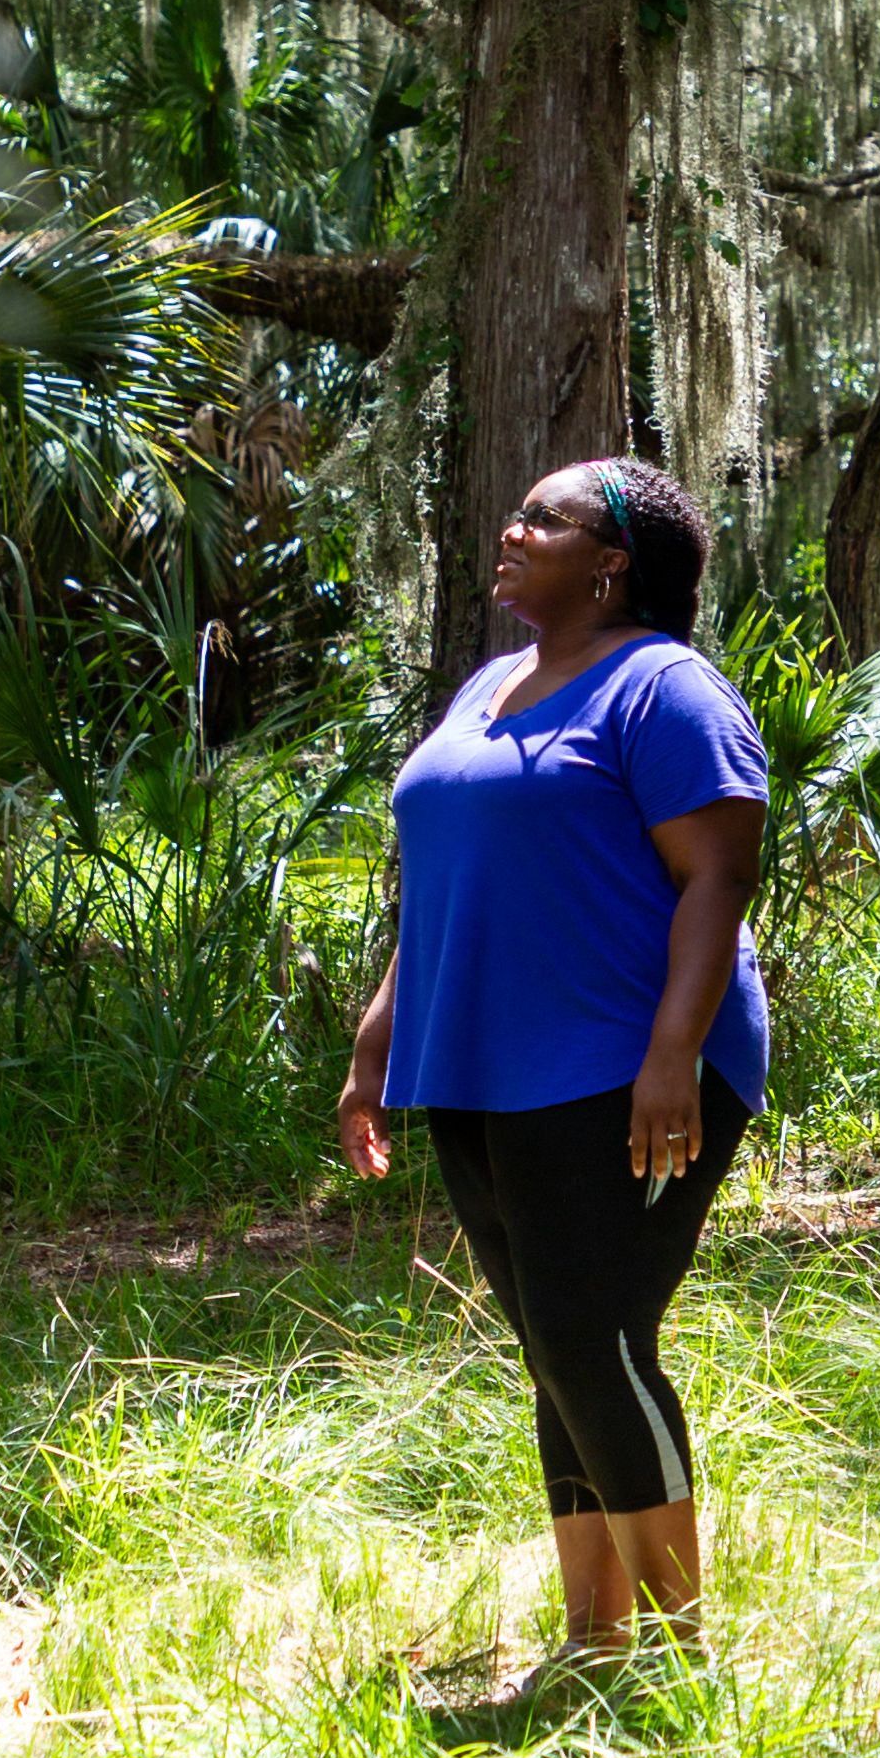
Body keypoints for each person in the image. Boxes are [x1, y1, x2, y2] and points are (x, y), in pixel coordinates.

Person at [337, 455, 769, 1660]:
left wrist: (673, 1053)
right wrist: (378, 1041)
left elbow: (717, 877)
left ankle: (688, 1663)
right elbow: (443, 891)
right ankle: (597, 1644)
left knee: (593, 1337)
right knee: (553, 1348)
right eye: (516, 510)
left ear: (613, 562)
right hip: (475, 1061)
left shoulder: (665, 688)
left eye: (545, 519)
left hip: (619, 1064)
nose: (512, 529)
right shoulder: (489, 685)